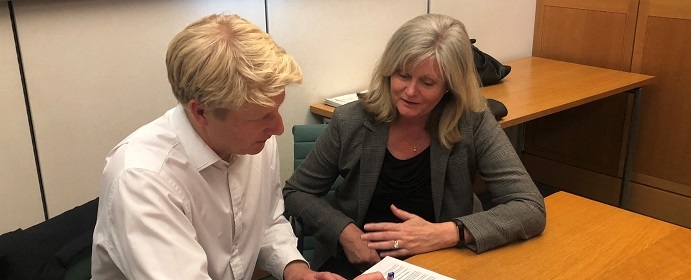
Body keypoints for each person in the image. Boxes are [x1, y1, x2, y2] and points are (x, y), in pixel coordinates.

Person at [91, 13, 383, 280]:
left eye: (277, 110)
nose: (279, 128)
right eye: (262, 117)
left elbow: (266, 222)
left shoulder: (254, 141)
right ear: (201, 112)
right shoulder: (143, 178)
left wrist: (297, 272)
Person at [283, 14, 546, 279]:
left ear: (449, 87)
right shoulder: (351, 120)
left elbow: (528, 207)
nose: (410, 91)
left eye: (427, 82)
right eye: (403, 75)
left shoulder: (472, 122)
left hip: (443, 261)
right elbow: (296, 192)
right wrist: (346, 233)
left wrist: (444, 233)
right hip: (359, 263)